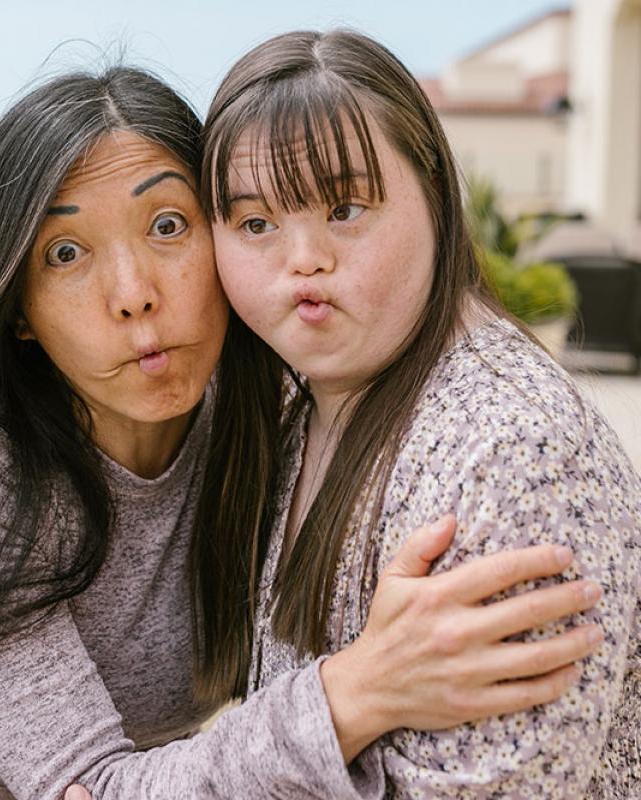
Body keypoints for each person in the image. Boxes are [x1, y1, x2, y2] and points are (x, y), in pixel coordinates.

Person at [0, 67, 603, 800]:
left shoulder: (266, 410)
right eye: (65, 254)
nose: (135, 295)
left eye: (168, 226)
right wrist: (358, 689)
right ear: (17, 310)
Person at [196, 28, 641, 798]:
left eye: (345, 206)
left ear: (435, 192)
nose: (303, 258)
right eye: (255, 224)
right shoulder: (303, 402)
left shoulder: (511, 457)